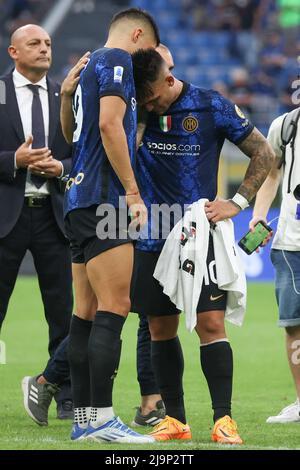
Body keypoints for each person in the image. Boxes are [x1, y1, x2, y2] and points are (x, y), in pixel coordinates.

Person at [129, 47, 275, 444]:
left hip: (199, 233)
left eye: (154, 96)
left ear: (170, 81)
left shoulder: (210, 105)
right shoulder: (137, 109)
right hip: (151, 234)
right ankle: (174, 419)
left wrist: (238, 203)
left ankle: (223, 419)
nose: (150, 103)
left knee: (211, 325)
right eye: (143, 98)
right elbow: (119, 152)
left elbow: (264, 151)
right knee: (160, 328)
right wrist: (140, 116)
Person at [61, 8, 160, 443]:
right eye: (149, 52)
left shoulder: (88, 69)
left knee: (84, 315)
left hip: (78, 199)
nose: (147, 62)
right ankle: (102, 418)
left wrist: (65, 97)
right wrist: (134, 194)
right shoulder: (118, 58)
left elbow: (71, 137)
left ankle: (84, 419)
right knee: (115, 308)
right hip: (106, 200)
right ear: (137, 34)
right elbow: (107, 126)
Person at [0, 24, 73, 423]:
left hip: (55, 217)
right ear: (13, 51)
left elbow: (83, 156)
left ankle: (64, 396)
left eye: (47, 43)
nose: (44, 48)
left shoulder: (67, 95)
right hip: (5, 216)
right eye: (34, 43)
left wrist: (61, 166)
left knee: (63, 315)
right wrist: (15, 160)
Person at [250, 106, 300, 423]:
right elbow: (272, 173)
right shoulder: (286, 125)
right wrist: (258, 214)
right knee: (294, 324)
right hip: (290, 243)